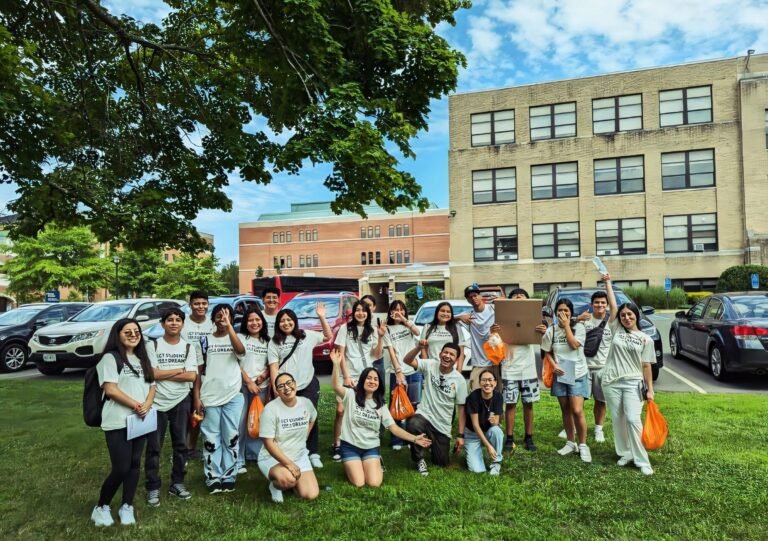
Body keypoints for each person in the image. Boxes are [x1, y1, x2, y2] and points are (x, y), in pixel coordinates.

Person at [330, 349, 431, 487]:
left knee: (374, 483)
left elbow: (394, 428)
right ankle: (351, 462)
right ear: (362, 380)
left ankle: (376, 460)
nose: (372, 381)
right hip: (350, 446)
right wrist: (336, 364)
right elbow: (335, 386)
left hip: (370, 447)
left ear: (379, 384)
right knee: (359, 483)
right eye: (369, 378)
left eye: (376, 379)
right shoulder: (350, 395)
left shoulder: (380, 406)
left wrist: (414, 438)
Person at [91, 318, 156, 527]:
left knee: (135, 464)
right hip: (118, 421)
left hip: (140, 420)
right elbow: (110, 389)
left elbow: (152, 386)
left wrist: (146, 403)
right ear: (117, 335)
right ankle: (101, 507)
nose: (133, 335)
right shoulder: (110, 358)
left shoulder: (142, 358)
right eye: (127, 332)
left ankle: (127, 505)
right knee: (120, 467)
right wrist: (137, 405)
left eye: (136, 331)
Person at [601, 273, 657, 475]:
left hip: (633, 383)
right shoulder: (616, 329)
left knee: (633, 419)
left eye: (629, 314)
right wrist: (608, 283)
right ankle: (625, 452)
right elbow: (613, 307)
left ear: (636, 315)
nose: (626, 317)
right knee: (618, 419)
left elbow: (646, 366)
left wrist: (650, 389)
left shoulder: (645, 339)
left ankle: (642, 460)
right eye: (623, 315)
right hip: (611, 382)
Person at [144, 308, 198, 507]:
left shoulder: (188, 347)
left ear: (183, 324)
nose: (174, 323)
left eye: (177, 320)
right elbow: (152, 374)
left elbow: (192, 376)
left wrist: (163, 372)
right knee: (154, 446)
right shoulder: (153, 345)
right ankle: (152, 486)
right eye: (169, 320)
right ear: (163, 323)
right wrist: (178, 370)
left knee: (181, 446)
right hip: (156, 401)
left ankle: (177, 482)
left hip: (181, 400)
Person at [268, 305, 332, 469]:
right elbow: (274, 367)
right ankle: (289, 451)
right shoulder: (275, 342)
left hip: (307, 383)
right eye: (282, 321)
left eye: (289, 320)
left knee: (310, 416)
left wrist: (321, 317)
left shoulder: (306, 335)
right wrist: (277, 390)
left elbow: (327, 336)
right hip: (286, 388)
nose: (286, 323)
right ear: (278, 324)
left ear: (294, 322)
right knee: (288, 420)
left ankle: (313, 452)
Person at [192, 305, 245, 494]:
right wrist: (197, 397)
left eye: (227, 316)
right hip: (209, 396)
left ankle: (229, 474)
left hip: (232, 395)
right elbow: (198, 372)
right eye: (219, 316)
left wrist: (230, 327)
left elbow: (241, 352)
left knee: (231, 436)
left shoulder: (235, 337)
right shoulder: (204, 341)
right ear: (213, 319)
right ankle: (213, 476)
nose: (222, 319)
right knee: (211, 438)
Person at [402, 342, 468, 476]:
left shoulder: (459, 380)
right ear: (440, 354)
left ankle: (431, 444)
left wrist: (460, 435)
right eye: (445, 352)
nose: (447, 356)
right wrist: (419, 348)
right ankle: (419, 459)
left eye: (452, 354)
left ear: (456, 360)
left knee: (441, 462)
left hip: (442, 424)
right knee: (413, 424)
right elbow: (407, 360)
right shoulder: (430, 365)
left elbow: (461, 409)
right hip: (424, 415)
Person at [331, 300, 385, 462]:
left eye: (364, 310)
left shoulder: (373, 330)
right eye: (358, 310)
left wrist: (381, 337)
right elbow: (340, 354)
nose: (360, 313)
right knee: (341, 410)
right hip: (349, 375)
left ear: (368, 313)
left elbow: (376, 355)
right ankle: (337, 443)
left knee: (363, 411)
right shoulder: (345, 329)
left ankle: (360, 444)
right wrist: (346, 376)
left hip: (366, 376)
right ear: (353, 312)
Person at [542, 299, 592, 463]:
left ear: (571, 313)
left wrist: (567, 326)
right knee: (565, 409)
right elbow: (547, 352)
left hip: (578, 373)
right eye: (560, 311)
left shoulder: (580, 328)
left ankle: (583, 445)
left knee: (577, 410)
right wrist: (554, 365)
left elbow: (573, 345)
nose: (563, 313)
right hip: (561, 374)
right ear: (556, 313)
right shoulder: (552, 331)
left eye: (566, 311)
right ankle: (571, 442)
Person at [258, 372, 320, 503]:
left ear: (295, 384)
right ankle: (275, 486)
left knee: (311, 494)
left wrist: (304, 436)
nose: (286, 388)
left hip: (299, 455)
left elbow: (313, 418)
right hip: (272, 457)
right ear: (277, 391)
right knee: (288, 480)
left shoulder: (306, 403)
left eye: (289, 383)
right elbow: (268, 442)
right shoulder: (270, 409)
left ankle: (294, 481)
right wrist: (289, 464)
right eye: (281, 386)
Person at [498, 288, 547, 452]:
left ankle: (529, 437)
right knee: (510, 404)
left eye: (522, 296)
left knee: (528, 404)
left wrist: (543, 332)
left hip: (528, 369)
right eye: (515, 296)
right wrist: (494, 333)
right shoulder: (503, 318)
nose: (519, 297)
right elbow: (493, 342)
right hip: (509, 368)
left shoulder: (534, 319)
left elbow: (544, 343)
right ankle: (509, 437)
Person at [236, 307, 271, 474]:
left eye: (257, 320)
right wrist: (249, 381)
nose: (254, 323)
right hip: (242, 387)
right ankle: (238, 458)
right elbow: (235, 364)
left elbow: (271, 364)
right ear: (245, 322)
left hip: (261, 388)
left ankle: (254, 454)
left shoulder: (268, 341)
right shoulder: (240, 338)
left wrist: (261, 379)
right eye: (250, 320)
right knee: (241, 422)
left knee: (258, 421)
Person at [382, 300, 421, 450]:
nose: (398, 312)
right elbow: (391, 351)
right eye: (395, 309)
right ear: (390, 312)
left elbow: (417, 333)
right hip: (397, 371)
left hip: (414, 370)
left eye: (401, 309)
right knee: (396, 405)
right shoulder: (387, 329)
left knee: (413, 406)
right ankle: (396, 440)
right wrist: (398, 371)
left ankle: (412, 438)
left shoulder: (409, 325)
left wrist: (404, 320)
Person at [576, 290, 613, 443]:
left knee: (600, 400)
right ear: (592, 304)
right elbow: (564, 328)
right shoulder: (585, 319)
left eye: (603, 302)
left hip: (602, 368)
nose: (600, 305)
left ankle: (599, 429)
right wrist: (577, 319)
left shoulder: (612, 322)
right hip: (583, 368)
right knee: (578, 401)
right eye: (596, 302)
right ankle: (572, 426)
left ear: (607, 305)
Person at [182, 290, 215, 460]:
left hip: (206, 373)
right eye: (196, 303)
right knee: (184, 413)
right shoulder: (182, 323)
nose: (200, 307)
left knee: (198, 411)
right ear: (190, 305)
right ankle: (181, 448)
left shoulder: (212, 324)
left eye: (204, 303)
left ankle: (192, 447)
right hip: (183, 373)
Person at [456, 285, 497, 391]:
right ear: (467, 300)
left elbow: (513, 308)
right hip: (478, 362)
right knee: (475, 393)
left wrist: (501, 300)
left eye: (475, 295)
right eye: (470, 297)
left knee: (497, 395)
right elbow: (446, 319)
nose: (473, 298)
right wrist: (459, 317)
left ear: (480, 296)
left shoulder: (494, 309)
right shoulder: (468, 316)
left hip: (496, 361)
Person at [464, 369, 504, 474]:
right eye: (484, 380)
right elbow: (475, 425)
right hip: (473, 434)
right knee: (477, 470)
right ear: (480, 382)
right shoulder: (473, 397)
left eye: (490, 380)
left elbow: (497, 421)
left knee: (497, 431)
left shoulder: (498, 396)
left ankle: (496, 462)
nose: (487, 383)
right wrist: (489, 446)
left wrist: (496, 422)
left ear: (495, 383)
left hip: (488, 430)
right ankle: (476, 452)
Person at [419, 301, 466, 370]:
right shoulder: (428, 327)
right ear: (437, 312)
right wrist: (426, 368)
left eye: (448, 312)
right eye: (442, 311)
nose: (445, 313)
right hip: (432, 369)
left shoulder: (456, 327)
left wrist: (459, 370)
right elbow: (423, 349)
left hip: (451, 369)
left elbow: (461, 351)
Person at [361, 294, 386, 387]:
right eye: (364, 304)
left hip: (377, 359)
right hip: (364, 358)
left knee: (379, 387)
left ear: (374, 307)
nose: (366, 307)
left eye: (369, 305)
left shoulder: (378, 321)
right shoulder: (359, 320)